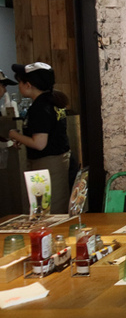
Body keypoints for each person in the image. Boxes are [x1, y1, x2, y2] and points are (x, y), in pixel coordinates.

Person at [7, 62, 72, 213]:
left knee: (49, 210)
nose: (19, 86)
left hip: (47, 164)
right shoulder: (52, 101)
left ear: (28, 85)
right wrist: (23, 138)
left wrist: (14, 135)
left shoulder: (40, 107)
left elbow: (39, 144)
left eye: (20, 82)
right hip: (57, 161)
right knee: (49, 207)